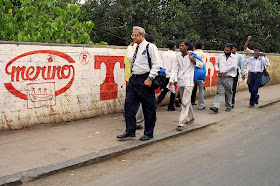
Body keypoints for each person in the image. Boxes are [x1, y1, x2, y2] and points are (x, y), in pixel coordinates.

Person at [117, 26, 160, 141]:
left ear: (142, 36)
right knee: (129, 105)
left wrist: (150, 78)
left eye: (136, 35)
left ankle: (148, 133)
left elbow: (157, 64)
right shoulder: (135, 47)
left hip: (145, 79)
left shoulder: (150, 47)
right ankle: (130, 130)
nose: (133, 37)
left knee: (148, 108)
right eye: (133, 35)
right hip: (134, 79)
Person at [169, 40, 203, 131]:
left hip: (189, 82)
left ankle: (181, 122)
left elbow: (201, 65)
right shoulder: (177, 57)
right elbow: (174, 69)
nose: (181, 47)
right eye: (179, 46)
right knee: (185, 100)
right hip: (181, 81)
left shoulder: (192, 55)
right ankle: (191, 117)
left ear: (187, 47)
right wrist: (172, 80)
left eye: (182, 46)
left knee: (184, 101)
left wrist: (193, 60)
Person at [210, 43, 237, 113]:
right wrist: (218, 70)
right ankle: (215, 106)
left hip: (228, 77)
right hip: (220, 77)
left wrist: (224, 72)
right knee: (219, 92)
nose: (226, 52)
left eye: (228, 51)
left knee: (228, 92)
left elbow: (232, 66)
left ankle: (228, 106)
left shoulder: (234, 57)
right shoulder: (220, 56)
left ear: (231, 50)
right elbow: (216, 64)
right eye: (225, 50)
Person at [156, 41, 176, 111]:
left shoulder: (164, 54)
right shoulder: (175, 55)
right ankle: (170, 106)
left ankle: (157, 102)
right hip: (171, 75)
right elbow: (174, 67)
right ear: (174, 47)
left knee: (165, 90)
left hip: (164, 74)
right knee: (172, 91)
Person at [192, 41, 207, 110]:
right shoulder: (203, 54)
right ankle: (200, 105)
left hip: (192, 72)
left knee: (190, 89)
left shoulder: (193, 53)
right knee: (201, 89)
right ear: (202, 46)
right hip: (200, 74)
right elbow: (203, 64)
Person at [231, 43, 245, 108]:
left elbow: (241, 65)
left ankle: (232, 101)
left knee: (234, 87)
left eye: (233, 48)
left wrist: (243, 73)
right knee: (228, 87)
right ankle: (228, 100)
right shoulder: (228, 55)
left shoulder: (239, 56)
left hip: (235, 71)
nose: (232, 50)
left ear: (236, 49)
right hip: (229, 72)